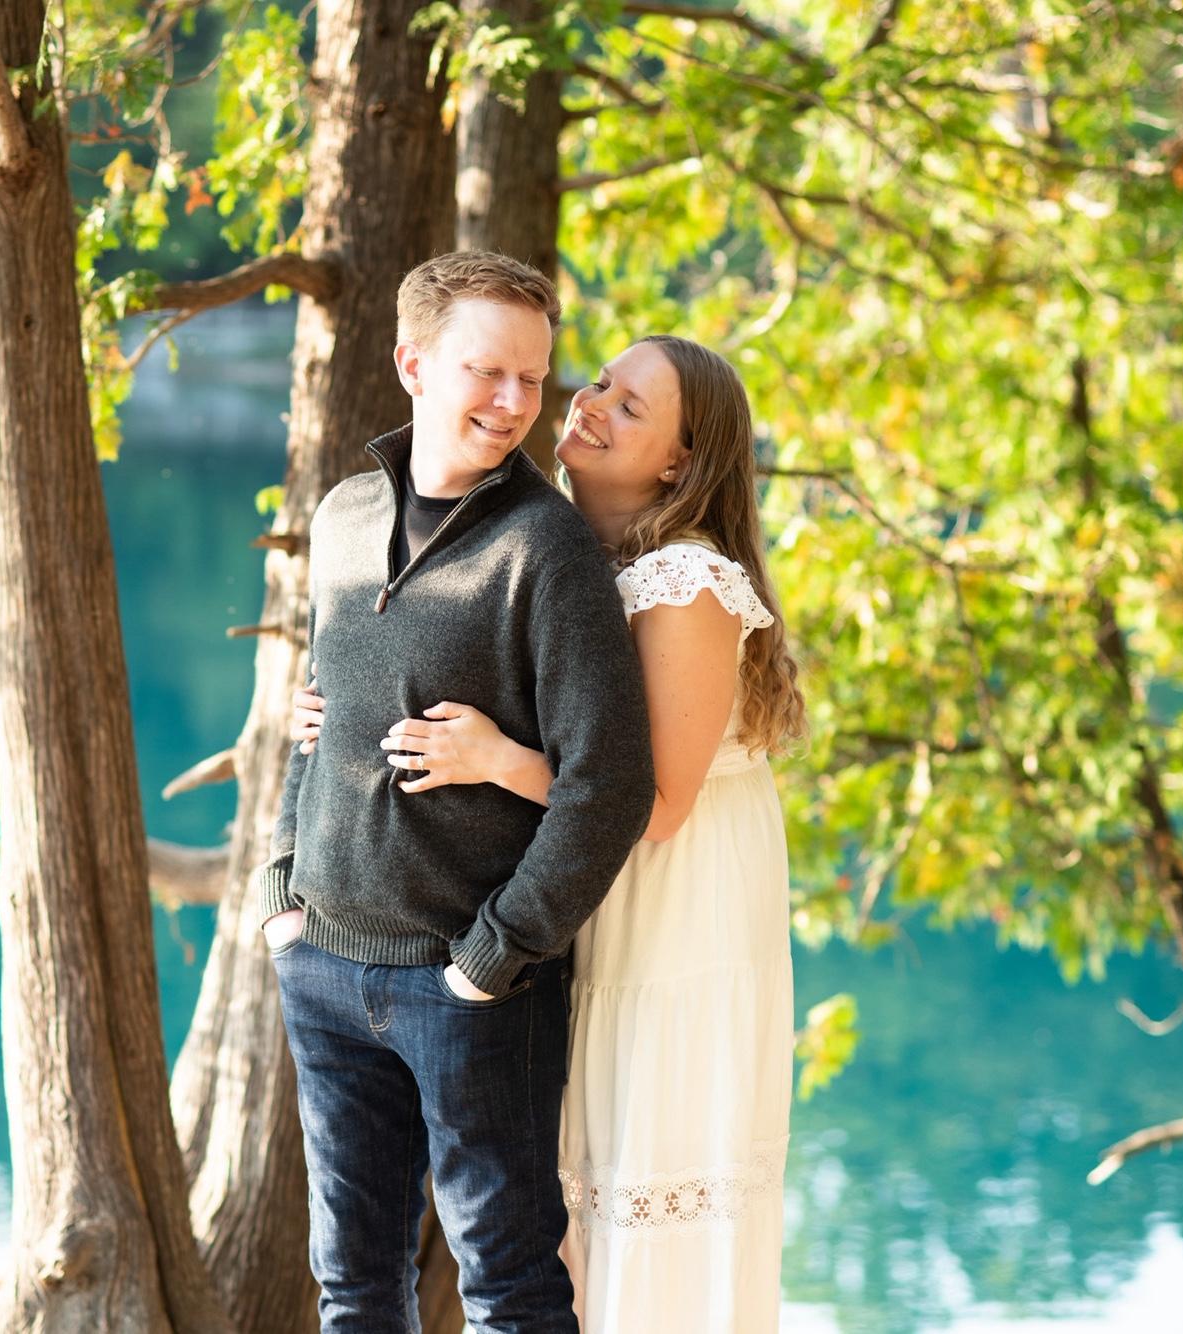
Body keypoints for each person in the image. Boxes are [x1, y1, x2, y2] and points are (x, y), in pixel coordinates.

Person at [293, 334, 805, 1331]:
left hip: (672, 911)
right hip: (585, 892)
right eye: (601, 381)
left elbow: (657, 803)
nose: (589, 402)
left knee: (648, 1179)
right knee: (569, 1199)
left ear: (679, 463)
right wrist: (337, 717)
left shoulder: (685, 581)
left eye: (629, 406)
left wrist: (494, 759)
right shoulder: (559, 546)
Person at [256, 251, 656, 1334]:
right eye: (489, 371)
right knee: (352, 1288)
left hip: (470, 985)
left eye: (533, 377)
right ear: (413, 365)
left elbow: (611, 785)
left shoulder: (548, 548)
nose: (516, 402)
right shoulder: (343, 515)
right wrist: (282, 891)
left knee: (509, 1291)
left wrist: (494, 954)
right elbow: (316, 715)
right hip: (322, 964)